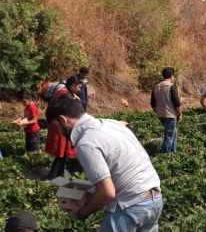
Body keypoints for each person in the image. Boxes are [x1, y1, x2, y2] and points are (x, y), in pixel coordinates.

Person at [45, 97, 163, 230]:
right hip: (154, 199)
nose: (59, 133)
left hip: (130, 206)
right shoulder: (112, 124)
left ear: (63, 120)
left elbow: (107, 192)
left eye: (56, 127)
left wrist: (82, 213)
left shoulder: (86, 142)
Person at [39, 81, 78, 179]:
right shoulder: (64, 93)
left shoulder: (62, 93)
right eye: (78, 87)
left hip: (60, 125)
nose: (79, 90)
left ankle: (57, 174)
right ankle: (56, 174)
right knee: (62, 152)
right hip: (62, 125)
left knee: (62, 152)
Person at [151, 67, 182, 153]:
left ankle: (173, 151)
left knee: (173, 132)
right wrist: (179, 114)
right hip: (170, 115)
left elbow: (153, 103)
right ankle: (165, 155)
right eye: (173, 76)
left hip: (160, 115)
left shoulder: (156, 87)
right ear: (172, 76)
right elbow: (177, 102)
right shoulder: (171, 86)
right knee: (169, 135)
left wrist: (157, 112)